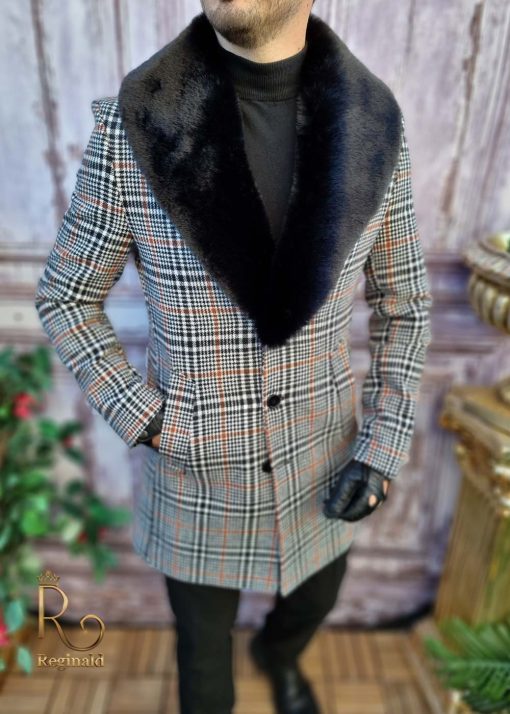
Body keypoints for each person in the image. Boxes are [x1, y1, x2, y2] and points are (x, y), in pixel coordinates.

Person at [34, 1, 433, 712]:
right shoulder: (137, 126)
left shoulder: (373, 128)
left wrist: (382, 446)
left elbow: (405, 304)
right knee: (202, 665)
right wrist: (150, 420)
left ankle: (278, 657)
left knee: (315, 601)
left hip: (323, 457)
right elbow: (67, 296)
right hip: (193, 468)